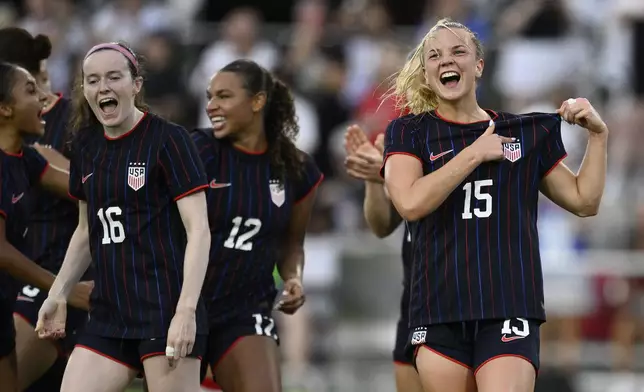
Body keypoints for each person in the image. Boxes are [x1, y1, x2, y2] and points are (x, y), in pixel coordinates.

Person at [381, 18, 608, 392]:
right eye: (434, 55)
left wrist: (599, 137)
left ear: (479, 65)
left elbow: (585, 201)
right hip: (439, 307)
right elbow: (409, 202)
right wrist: (474, 154)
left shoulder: (524, 132)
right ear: (425, 73)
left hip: (509, 304)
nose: (446, 61)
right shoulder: (407, 132)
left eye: (458, 51)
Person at [35, 42, 211, 392]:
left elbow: (199, 230)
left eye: (114, 77)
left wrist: (186, 311)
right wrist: (57, 294)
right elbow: (86, 231)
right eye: (93, 80)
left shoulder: (169, 140)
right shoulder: (84, 145)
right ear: (83, 89)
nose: (104, 88)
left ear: (136, 84)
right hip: (110, 312)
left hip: (165, 308)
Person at [191, 59, 323, 392]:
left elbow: (291, 244)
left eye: (223, 96)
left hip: (245, 309)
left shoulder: (297, 169)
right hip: (185, 305)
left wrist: (293, 278)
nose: (211, 106)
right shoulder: (196, 151)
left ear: (257, 101)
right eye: (209, 96)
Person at [0, 27, 93, 392]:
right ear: (5, 109)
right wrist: (66, 290)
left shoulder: (27, 161)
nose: (44, 98)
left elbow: (90, 189)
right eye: (31, 92)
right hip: (28, 286)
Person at [344, 124, 423, 392]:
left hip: (455, 297)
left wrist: (387, 173)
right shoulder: (410, 138)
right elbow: (382, 225)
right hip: (415, 300)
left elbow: (432, 196)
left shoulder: (464, 140)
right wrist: (374, 180)